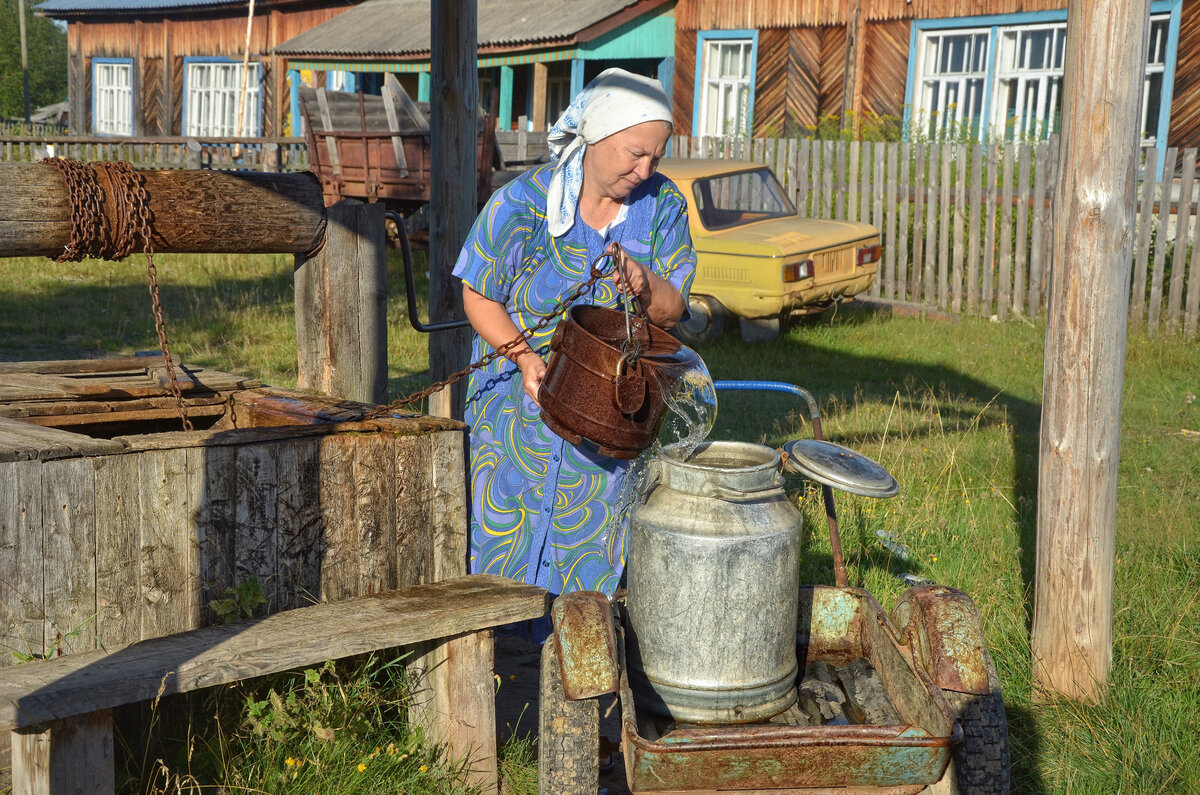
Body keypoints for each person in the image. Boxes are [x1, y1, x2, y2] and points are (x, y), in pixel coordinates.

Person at [451, 68, 697, 601]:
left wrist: (643, 281)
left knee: (590, 553)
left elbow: (674, 310)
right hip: (515, 415)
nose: (645, 167)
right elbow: (479, 294)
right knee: (498, 542)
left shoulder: (663, 209)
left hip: (608, 419)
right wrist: (523, 359)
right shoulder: (524, 202)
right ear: (597, 135)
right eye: (635, 152)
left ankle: (575, 661)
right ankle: (491, 661)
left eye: (656, 156)